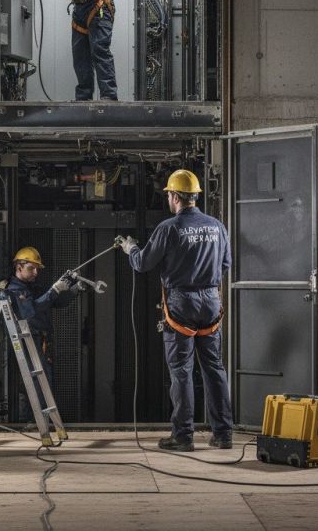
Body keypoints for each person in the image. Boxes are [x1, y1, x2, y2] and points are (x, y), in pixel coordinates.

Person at [119, 169, 234, 452]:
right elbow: (226, 265)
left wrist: (130, 248)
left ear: (173, 196)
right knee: (214, 368)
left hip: (181, 302)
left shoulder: (169, 228)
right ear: (195, 197)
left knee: (181, 370)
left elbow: (143, 263)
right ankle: (223, 434)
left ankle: (183, 436)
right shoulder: (217, 226)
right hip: (210, 301)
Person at [0, 246, 77, 421]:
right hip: (26, 341)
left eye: (37, 269)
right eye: (31, 268)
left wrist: (73, 290)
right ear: (19, 267)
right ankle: (35, 422)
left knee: (43, 380)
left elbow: (52, 303)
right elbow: (30, 312)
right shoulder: (13, 289)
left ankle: (40, 421)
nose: (35, 272)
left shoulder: (32, 287)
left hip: (40, 340)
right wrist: (54, 289)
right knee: (38, 383)